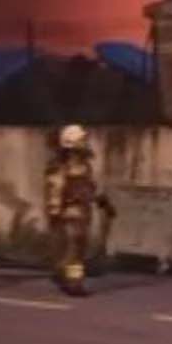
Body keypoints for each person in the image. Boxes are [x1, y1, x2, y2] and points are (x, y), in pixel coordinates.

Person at [45, 124, 115, 296]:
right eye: (82, 140)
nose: (85, 143)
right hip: (69, 213)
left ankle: (65, 276)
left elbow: (90, 187)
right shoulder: (61, 166)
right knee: (74, 251)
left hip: (82, 213)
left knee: (78, 251)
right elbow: (55, 189)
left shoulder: (84, 166)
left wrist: (103, 202)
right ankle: (72, 283)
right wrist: (54, 212)